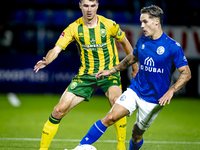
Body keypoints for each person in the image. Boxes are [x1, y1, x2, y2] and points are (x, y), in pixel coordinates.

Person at [70, 5, 191, 150]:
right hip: (135, 90)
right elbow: (131, 58)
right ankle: (79, 147)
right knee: (110, 118)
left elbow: (186, 73)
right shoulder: (142, 41)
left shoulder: (173, 46)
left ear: (157, 22)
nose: (142, 25)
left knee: (136, 135)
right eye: (141, 22)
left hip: (154, 99)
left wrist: (171, 90)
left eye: (145, 21)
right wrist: (111, 70)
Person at [34, 0, 138, 150]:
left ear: (97, 6)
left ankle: (121, 147)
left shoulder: (109, 25)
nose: (89, 9)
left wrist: (134, 68)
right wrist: (47, 60)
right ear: (80, 6)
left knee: (117, 102)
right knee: (58, 110)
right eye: (86, 6)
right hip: (86, 76)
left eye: (92, 6)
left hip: (109, 73)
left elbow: (126, 43)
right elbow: (56, 49)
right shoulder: (74, 28)